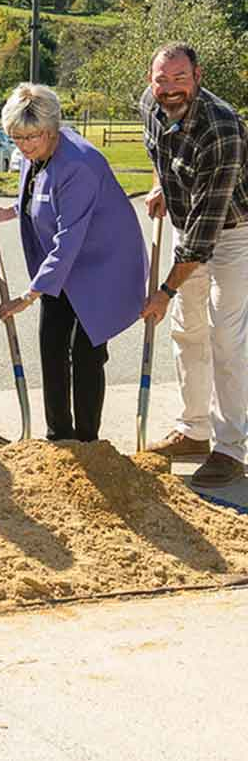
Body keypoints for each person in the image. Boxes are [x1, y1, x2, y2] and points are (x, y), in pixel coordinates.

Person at [0, 84, 147, 442]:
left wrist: (28, 296)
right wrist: (8, 211)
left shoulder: (80, 165)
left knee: (85, 352)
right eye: (16, 138)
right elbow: (41, 199)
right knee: (51, 345)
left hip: (103, 264)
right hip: (65, 267)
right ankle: (58, 434)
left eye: (31, 137)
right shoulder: (37, 152)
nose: (23, 146)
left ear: (53, 128)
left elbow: (67, 239)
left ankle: (87, 441)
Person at [139, 42, 248, 487]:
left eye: (179, 78)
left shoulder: (221, 127)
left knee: (226, 336)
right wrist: (161, 184)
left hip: (233, 232)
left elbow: (205, 235)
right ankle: (193, 430)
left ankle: (231, 448)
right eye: (162, 79)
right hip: (188, 226)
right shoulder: (150, 103)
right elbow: (158, 153)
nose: (169, 89)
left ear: (197, 76)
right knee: (187, 331)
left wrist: (164, 291)